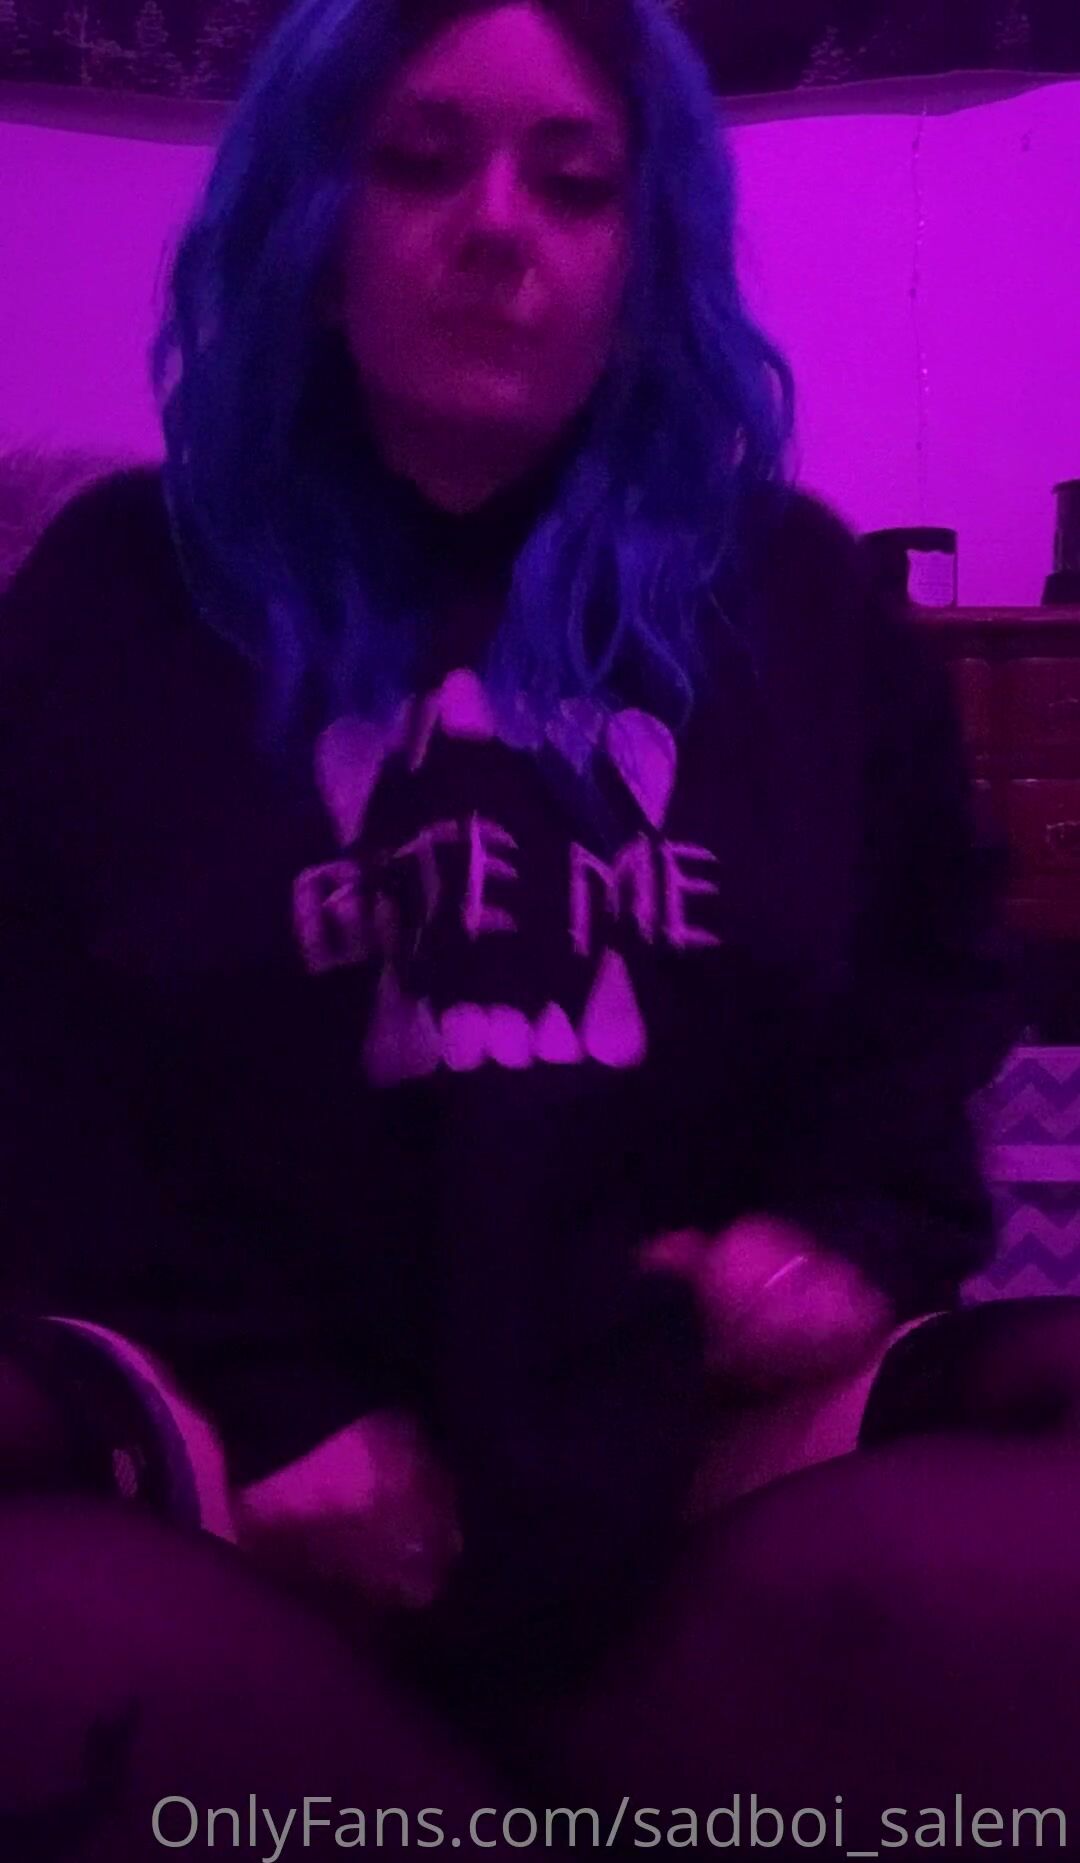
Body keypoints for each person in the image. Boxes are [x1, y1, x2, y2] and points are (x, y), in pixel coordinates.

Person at [4, 0, 1080, 1853]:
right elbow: (32, 1064)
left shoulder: (797, 603)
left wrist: (846, 1233)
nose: (498, 226)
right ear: (305, 212)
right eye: (418, 163)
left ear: (644, 248)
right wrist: (265, 1403)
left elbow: (935, 982)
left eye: (575, 182)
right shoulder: (115, 601)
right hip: (239, 1493)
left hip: (707, 1483)